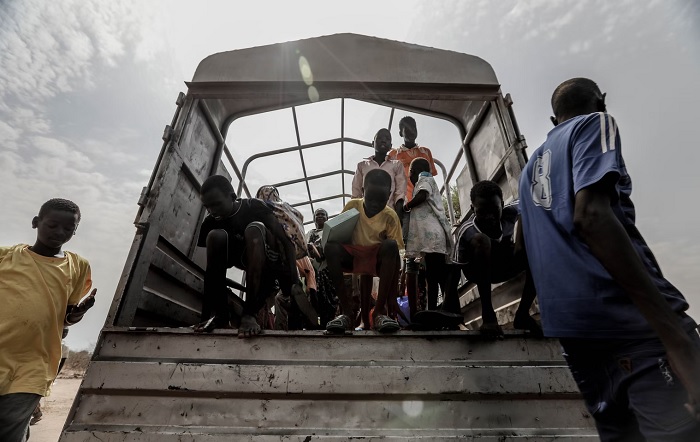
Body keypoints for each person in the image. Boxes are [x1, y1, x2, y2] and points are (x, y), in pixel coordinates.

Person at [519, 77, 700, 440]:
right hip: (631, 324)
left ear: (553, 120)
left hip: (575, 336)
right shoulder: (595, 124)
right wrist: (675, 339)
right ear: (601, 102)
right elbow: (592, 217)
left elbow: (522, 243)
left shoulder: (528, 172)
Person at [0, 198, 96, 442]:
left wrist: (76, 315)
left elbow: (65, 318)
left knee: (10, 429)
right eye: (52, 225)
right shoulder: (6, 257)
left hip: (33, 364)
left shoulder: (78, 266)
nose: (60, 233)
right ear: (36, 222)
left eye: (68, 229)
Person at [195, 176, 304, 337]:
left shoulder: (253, 207)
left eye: (216, 204)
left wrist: (295, 281)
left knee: (254, 228)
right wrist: (206, 315)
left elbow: (286, 241)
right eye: (207, 207)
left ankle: (250, 314)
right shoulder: (211, 221)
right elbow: (211, 273)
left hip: (270, 263)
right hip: (242, 258)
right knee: (214, 236)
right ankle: (221, 315)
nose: (212, 211)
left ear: (232, 197)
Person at [452, 181, 541, 337]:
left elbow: (530, 200)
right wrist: (451, 312)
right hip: (476, 270)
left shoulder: (510, 212)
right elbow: (454, 271)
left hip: (502, 265)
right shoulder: (466, 231)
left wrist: (521, 241)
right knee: (482, 240)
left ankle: (522, 314)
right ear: (473, 209)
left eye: (494, 210)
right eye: (482, 212)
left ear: (502, 204)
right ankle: (488, 316)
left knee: (535, 249)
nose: (489, 217)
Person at [325, 169, 404, 334]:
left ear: (389, 195)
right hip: (353, 257)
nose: (375, 204)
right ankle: (346, 313)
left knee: (391, 245)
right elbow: (338, 232)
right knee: (330, 247)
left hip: (375, 259)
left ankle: (378, 313)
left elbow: (397, 253)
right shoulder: (353, 206)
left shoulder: (390, 216)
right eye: (370, 198)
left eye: (381, 199)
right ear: (362, 191)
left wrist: (392, 298)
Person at [402, 158, 453, 316]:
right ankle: (446, 308)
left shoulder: (424, 180)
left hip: (432, 238)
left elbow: (423, 195)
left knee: (433, 276)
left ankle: (434, 310)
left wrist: (407, 206)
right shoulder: (430, 181)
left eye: (410, 172)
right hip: (435, 239)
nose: (410, 176)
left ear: (416, 171)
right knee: (438, 275)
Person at [351, 128, 406, 214]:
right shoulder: (362, 165)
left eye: (387, 139)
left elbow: (400, 191)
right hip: (366, 214)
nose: (384, 140)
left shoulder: (397, 165)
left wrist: (398, 213)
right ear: (373, 143)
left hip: (388, 213)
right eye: (380, 138)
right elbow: (356, 192)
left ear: (390, 146)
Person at [388, 116, 438, 204]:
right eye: (407, 129)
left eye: (413, 128)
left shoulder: (425, 152)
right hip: (403, 202)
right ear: (400, 133)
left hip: (425, 200)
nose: (411, 131)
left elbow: (431, 178)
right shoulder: (393, 155)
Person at [305, 208, 339, 327]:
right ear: (314, 219)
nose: (320, 216)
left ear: (327, 218)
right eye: (317, 214)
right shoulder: (309, 233)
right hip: (310, 268)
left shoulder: (330, 232)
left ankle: (327, 321)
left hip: (326, 268)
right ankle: (312, 323)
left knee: (328, 297)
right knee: (312, 296)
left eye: (322, 214)